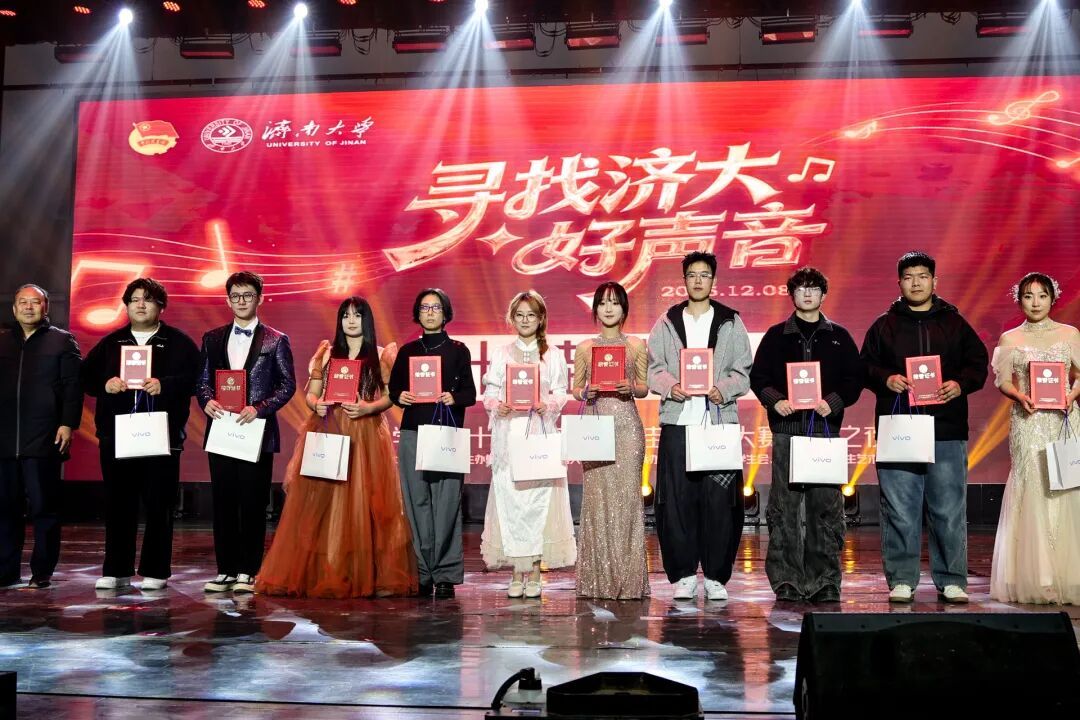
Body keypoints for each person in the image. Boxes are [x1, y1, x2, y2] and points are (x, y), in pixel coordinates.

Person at [258, 297, 417, 598]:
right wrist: (316, 405)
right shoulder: (327, 354)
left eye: (357, 315)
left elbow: (391, 395)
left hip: (366, 434)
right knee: (327, 503)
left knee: (364, 503)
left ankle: (365, 573)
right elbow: (312, 394)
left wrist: (369, 407)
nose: (351, 321)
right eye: (345, 315)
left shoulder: (380, 355)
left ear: (367, 320)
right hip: (330, 429)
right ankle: (329, 570)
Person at [861, 251, 989, 603]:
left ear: (934, 281)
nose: (915, 283)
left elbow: (978, 364)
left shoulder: (954, 323)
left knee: (948, 509)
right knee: (899, 510)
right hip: (899, 429)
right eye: (908, 277)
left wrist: (960, 384)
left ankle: (952, 579)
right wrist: (886, 379)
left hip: (945, 429)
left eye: (922, 276)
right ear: (899, 283)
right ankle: (902, 579)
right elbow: (864, 367)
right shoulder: (884, 326)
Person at [749, 267, 863, 603]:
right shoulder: (776, 336)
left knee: (825, 508)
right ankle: (787, 579)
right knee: (783, 509)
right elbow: (758, 377)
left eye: (814, 288)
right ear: (792, 295)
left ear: (824, 294)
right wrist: (775, 400)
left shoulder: (839, 336)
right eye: (801, 288)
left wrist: (834, 402)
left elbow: (854, 379)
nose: (808, 293)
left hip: (824, 433)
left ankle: (824, 580)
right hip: (787, 433)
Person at [81, 278, 200, 591]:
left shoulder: (178, 342)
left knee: (159, 504)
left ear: (161, 306)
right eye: (134, 299)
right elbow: (86, 377)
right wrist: (106, 384)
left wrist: (166, 384)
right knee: (118, 503)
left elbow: (197, 380)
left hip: (161, 434)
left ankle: (156, 571)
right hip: (117, 435)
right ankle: (116, 570)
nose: (141, 305)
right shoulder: (111, 342)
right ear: (126, 305)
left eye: (148, 299)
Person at [647, 251, 753, 602]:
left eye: (704, 274)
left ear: (713, 280)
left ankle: (716, 576)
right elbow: (653, 367)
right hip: (679, 421)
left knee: (720, 503)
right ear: (684, 280)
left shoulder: (729, 321)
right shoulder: (667, 321)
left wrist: (722, 388)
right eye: (692, 274)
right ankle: (683, 575)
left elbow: (743, 370)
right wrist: (670, 386)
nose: (697, 280)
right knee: (677, 502)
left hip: (717, 423)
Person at [195, 271, 296, 594]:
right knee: (223, 501)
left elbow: (287, 385)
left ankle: (248, 571)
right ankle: (225, 570)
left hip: (256, 430)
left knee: (252, 502)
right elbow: (202, 381)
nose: (241, 301)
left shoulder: (276, 339)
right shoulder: (212, 338)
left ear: (259, 298)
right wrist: (207, 401)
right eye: (236, 296)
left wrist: (260, 408)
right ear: (228, 300)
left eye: (248, 295)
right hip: (222, 428)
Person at [990, 272, 1080, 605]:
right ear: (1020, 301)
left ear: (1053, 299)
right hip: (1028, 421)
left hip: (1064, 420)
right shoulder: (1010, 338)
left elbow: (1078, 375)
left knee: (1066, 488)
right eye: (1029, 296)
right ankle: (1036, 575)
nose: (1036, 302)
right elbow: (1003, 380)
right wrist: (1019, 396)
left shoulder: (1070, 334)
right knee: (1032, 487)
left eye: (1042, 296)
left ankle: (1069, 575)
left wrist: (1072, 396)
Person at [481, 290, 575, 599]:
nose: (525, 320)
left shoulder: (553, 354)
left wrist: (548, 404)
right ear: (512, 318)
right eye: (519, 315)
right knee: (511, 504)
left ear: (541, 319)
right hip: (509, 436)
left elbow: (561, 391)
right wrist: (498, 405)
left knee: (537, 505)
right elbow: (490, 392)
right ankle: (516, 571)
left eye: (531, 315)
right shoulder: (501, 353)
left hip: (539, 436)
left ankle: (534, 571)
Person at [388, 288, 477, 600]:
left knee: (446, 505)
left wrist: (454, 397)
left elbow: (470, 393)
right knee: (417, 504)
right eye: (424, 307)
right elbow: (393, 390)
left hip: (445, 435)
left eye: (436, 307)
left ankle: (446, 575)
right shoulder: (407, 351)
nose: (429, 312)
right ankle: (422, 573)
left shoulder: (458, 350)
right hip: (413, 433)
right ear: (417, 313)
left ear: (445, 313)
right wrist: (399, 396)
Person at [0, 284, 82, 590]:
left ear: (45, 307)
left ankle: (42, 571)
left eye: (35, 302)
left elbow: (73, 388)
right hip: (4, 439)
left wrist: (67, 424)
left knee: (44, 508)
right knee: (5, 509)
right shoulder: (2, 341)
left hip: (44, 437)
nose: (28, 307)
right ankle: (6, 571)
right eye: (22, 302)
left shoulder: (61, 341)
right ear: (14, 308)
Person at [572, 282, 650, 600]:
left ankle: (629, 582)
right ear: (595, 309)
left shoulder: (635, 345)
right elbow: (576, 389)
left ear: (624, 309)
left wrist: (631, 387)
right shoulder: (584, 348)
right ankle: (598, 581)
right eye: (603, 303)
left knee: (628, 502)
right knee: (598, 502)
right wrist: (585, 391)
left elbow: (644, 387)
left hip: (627, 428)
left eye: (615, 303)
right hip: (595, 428)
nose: (608, 308)